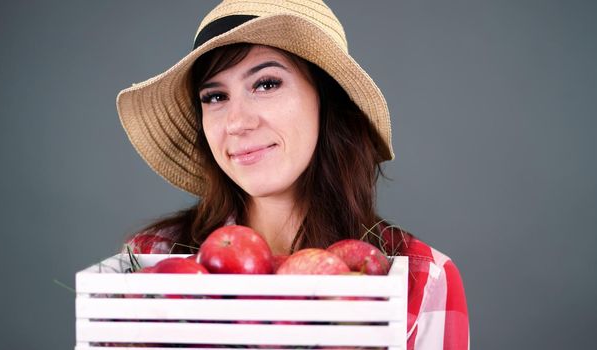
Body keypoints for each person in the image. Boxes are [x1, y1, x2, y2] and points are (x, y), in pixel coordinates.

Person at [116, 1, 469, 349]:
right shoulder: (154, 259)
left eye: (266, 84)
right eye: (215, 96)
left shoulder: (421, 279)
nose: (237, 123)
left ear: (327, 100)